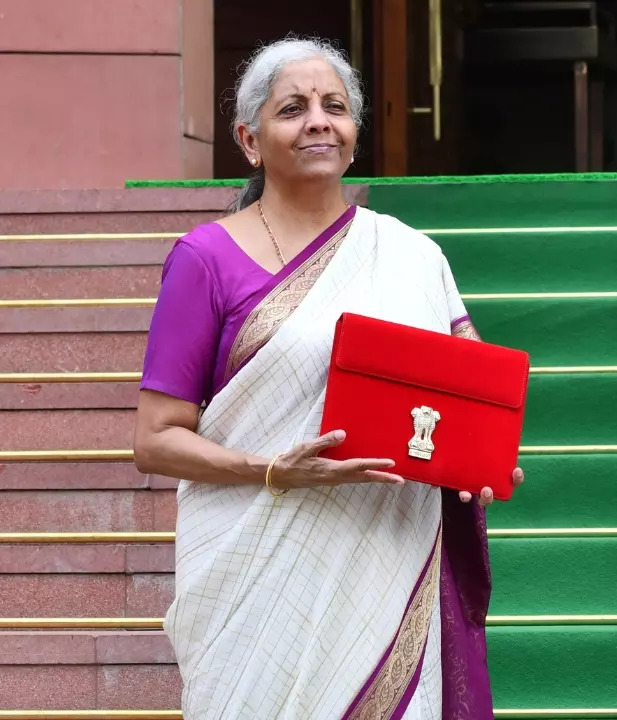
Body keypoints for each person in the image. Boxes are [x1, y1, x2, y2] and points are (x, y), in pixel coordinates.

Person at [131, 38, 520, 718]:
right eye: (293, 108)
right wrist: (273, 470)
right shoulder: (206, 260)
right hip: (255, 572)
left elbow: (468, 390)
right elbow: (156, 439)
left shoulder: (411, 255)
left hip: (388, 560)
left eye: (334, 106)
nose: (318, 120)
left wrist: (482, 458)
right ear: (249, 140)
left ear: (354, 131)